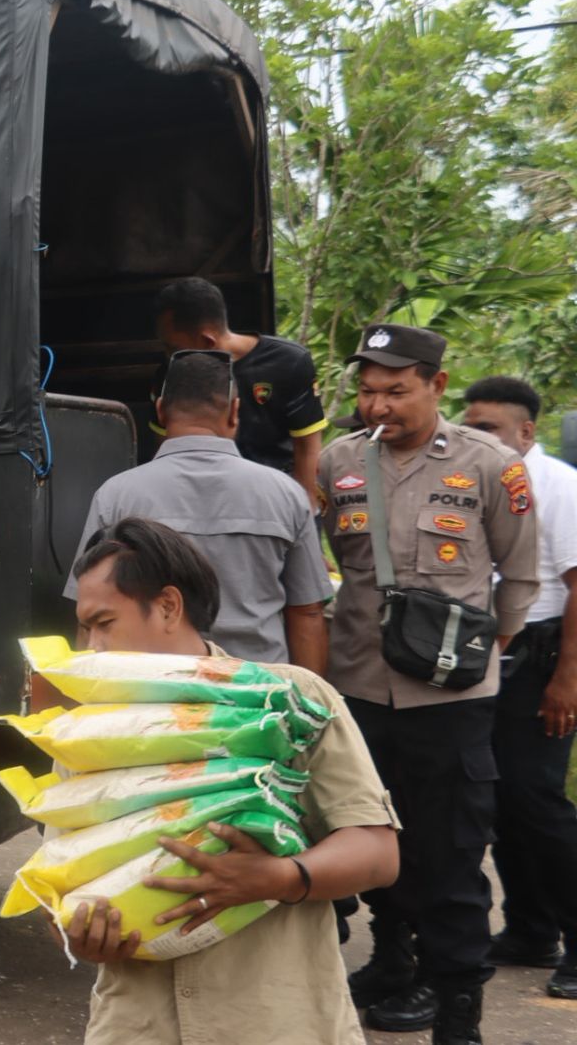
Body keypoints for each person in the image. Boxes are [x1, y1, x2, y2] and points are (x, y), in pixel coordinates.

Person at [61, 517, 399, 1045]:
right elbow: (58, 888)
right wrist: (82, 936)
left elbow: (377, 852)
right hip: (139, 1028)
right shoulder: (83, 733)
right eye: (86, 630)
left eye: (104, 622)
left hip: (279, 1023)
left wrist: (281, 878)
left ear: (169, 606)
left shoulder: (287, 701)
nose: (93, 648)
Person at [319, 324, 540, 1043]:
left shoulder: (489, 464)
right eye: (368, 390)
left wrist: (480, 657)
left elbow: (521, 576)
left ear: (437, 386)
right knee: (371, 840)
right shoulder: (338, 462)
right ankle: (393, 961)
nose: (378, 405)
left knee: (449, 857)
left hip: (451, 703)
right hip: (358, 690)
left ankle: (458, 1011)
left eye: (396, 390)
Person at [68, 349, 331, 669]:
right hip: (259, 698)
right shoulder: (286, 495)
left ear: (161, 412)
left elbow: (92, 613)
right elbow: (307, 613)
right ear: (235, 412)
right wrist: (307, 705)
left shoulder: (116, 496)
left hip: (151, 694)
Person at [462, 375, 577, 1001]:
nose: (474, 435)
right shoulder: (490, 478)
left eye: (488, 427)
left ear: (526, 431)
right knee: (500, 797)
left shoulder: (558, 485)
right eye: (469, 424)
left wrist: (567, 679)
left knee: (538, 799)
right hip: (496, 651)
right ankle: (531, 930)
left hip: (546, 654)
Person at [153, 277, 328, 508]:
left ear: (207, 341)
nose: (169, 357)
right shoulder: (172, 372)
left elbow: (307, 446)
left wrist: (305, 508)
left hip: (276, 498)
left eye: (173, 348)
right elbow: (163, 446)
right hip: (204, 503)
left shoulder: (289, 362)